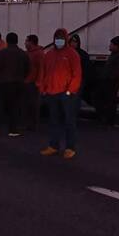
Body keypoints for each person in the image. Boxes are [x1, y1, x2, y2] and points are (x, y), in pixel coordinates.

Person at [39, 28, 82, 159]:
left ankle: (70, 147)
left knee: (69, 121)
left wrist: (70, 90)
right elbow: (43, 72)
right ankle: (53, 145)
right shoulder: (49, 55)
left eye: (61, 38)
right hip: (52, 92)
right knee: (54, 121)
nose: (59, 41)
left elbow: (77, 74)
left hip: (66, 93)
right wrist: (43, 88)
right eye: (57, 38)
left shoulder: (72, 54)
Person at [0, 32, 30, 137]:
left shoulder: (2, 53)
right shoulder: (23, 54)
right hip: (19, 82)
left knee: (0, 106)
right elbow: (28, 68)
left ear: (7, 40)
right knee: (14, 106)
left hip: (5, 82)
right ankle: (13, 129)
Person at [96, 36, 119, 125]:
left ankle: (109, 119)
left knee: (110, 100)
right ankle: (106, 118)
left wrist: (109, 78)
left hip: (112, 82)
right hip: (109, 80)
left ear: (117, 46)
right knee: (107, 99)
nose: (110, 46)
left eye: (111, 44)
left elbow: (116, 70)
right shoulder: (114, 54)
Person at [24, 34, 45, 131]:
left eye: (26, 41)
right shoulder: (28, 53)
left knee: (33, 104)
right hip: (27, 81)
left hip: (33, 82)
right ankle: (28, 123)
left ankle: (33, 124)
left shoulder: (38, 54)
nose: (25, 43)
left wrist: (39, 82)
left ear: (31, 42)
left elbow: (41, 68)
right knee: (27, 104)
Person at [69, 34, 92, 118]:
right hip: (67, 81)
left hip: (78, 81)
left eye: (75, 42)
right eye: (71, 41)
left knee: (75, 99)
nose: (73, 44)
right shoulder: (66, 53)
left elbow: (86, 69)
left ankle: (73, 116)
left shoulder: (83, 54)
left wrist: (83, 80)